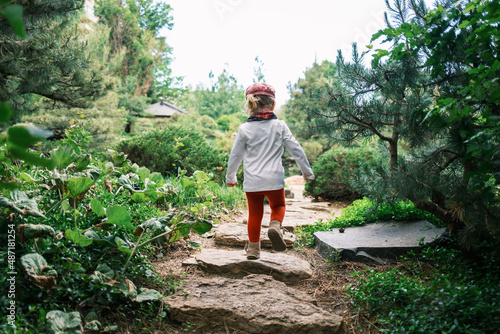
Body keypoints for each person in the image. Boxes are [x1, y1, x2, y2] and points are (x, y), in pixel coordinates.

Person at [226, 82, 315, 260]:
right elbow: (295, 149)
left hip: (252, 181)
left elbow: (235, 156)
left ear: (250, 104)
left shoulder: (244, 129)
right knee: (279, 206)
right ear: (273, 105)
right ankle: (275, 225)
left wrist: (231, 177)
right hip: (274, 180)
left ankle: (253, 249)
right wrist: (307, 172)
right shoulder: (280, 126)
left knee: (255, 214)